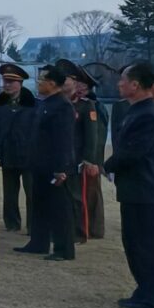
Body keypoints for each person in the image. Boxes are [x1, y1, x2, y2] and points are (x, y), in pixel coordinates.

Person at [105, 62, 154, 308]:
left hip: (144, 190)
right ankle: (144, 290)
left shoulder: (148, 114)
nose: (120, 84)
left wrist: (107, 164)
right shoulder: (136, 111)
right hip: (134, 189)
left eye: (123, 80)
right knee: (134, 243)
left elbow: (133, 152)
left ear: (136, 85)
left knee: (147, 245)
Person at [15, 64, 76, 261]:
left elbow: (64, 140)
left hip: (54, 167)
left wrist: (61, 168)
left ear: (52, 83)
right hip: (39, 165)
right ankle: (38, 242)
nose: (38, 83)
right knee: (39, 205)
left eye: (42, 80)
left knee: (59, 209)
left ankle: (63, 249)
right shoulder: (44, 103)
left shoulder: (63, 106)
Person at [57, 59, 99, 243]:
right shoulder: (56, 103)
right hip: (58, 158)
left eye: (65, 80)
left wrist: (88, 159)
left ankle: (79, 232)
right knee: (60, 197)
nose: (62, 84)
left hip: (76, 159)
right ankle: (62, 230)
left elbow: (92, 136)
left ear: (74, 82)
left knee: (76, 197)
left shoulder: (85, 105)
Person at [0, 63, 37, 234]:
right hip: (8, 154)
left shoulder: (32, 105)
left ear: (20, 83)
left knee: (31, 193)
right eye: (5, 81)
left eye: (11, 82)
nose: (7, 85)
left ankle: (33, 225)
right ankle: (11, 223)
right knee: (9, 194)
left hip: (28, 156)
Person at [79, 66, 108, 239]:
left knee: (93, 193)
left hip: (92, 158)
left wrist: (96, 161)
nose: (79, 88)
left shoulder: (96, 106)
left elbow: (99, 135)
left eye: (82, 85)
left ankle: (96, 228)